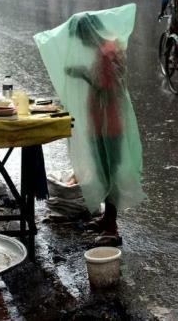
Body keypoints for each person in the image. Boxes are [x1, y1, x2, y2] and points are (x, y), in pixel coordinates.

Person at [65, 14, 127, 246]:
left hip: (108, 123)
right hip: (104, 120)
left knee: (110, 174)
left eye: (82, 37)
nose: (81, 43)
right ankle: (106, 219)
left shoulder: (107, 52)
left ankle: (111, 228)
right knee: (105, 172)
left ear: (89, 32)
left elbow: (106, 86)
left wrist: (81, 72)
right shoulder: (108, 47)